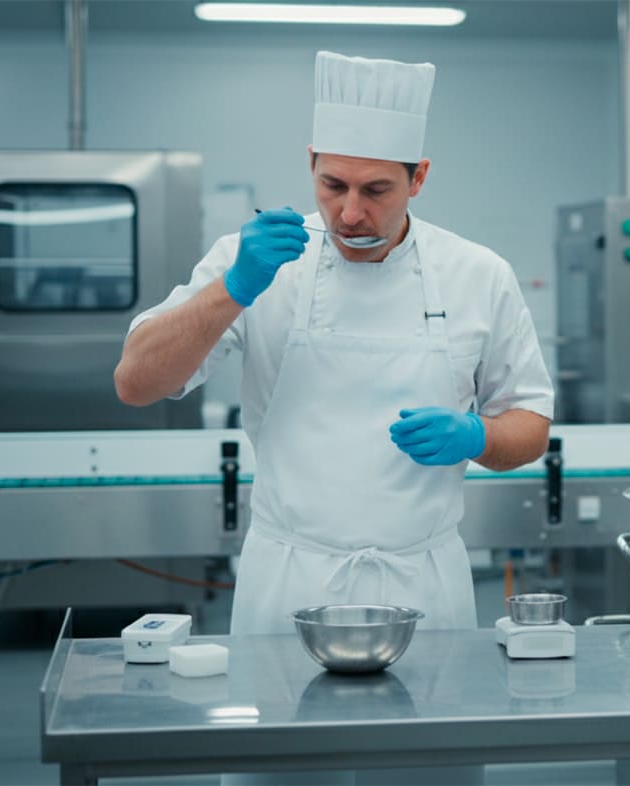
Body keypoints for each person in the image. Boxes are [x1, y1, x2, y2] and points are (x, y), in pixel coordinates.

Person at [114, 51, 554, 641]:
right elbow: (136, 383)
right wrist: (234, 288)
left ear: (418, 177)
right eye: (332, 185)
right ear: (311, 164)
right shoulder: (251, 262)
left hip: (422, 581)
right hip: (288, 577)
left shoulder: (477, 272)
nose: (349, 213)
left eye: (376, 190)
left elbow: (530, 425)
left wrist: (479, 436)